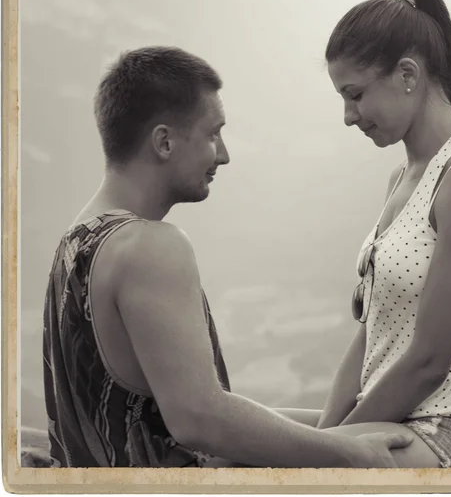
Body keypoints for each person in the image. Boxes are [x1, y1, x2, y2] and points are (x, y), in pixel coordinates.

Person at [42, 46, 415, 468]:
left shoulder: (75, 241)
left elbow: (173, 413)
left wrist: (332, 428)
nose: (223, 154)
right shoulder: (149, 246)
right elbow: (199, 418)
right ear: (164, 141)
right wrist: (348, 451)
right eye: (212, 134)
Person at [315, 0, 451, 468]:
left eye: (356, 95)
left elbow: (429, 361)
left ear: (407, 74)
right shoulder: (402, 179)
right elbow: (371, 336)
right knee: (238, 443)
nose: (349, 117)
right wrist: (321, 441)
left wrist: (324, 455)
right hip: (399, 420)